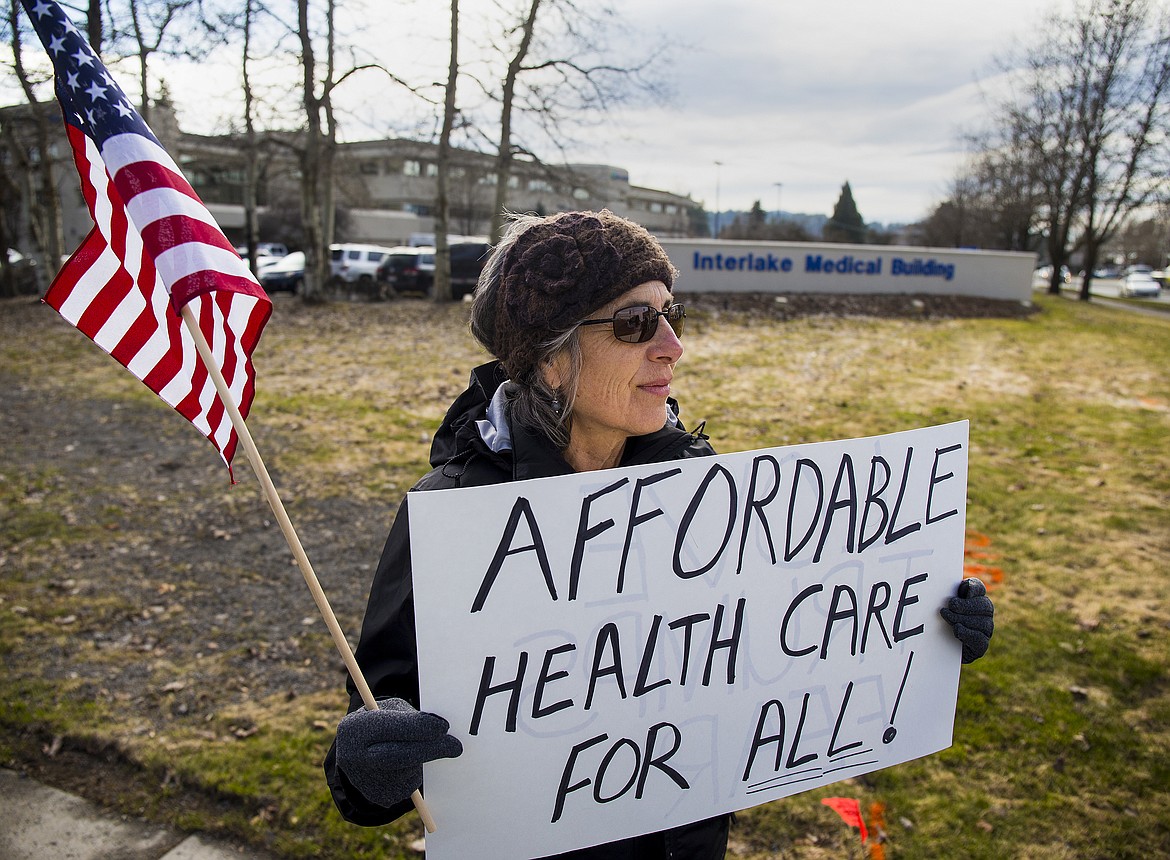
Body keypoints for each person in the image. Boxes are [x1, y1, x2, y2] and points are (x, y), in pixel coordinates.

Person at [323, 210, 995, 859]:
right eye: (635, 323)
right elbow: (379, 731)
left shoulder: (699, 492)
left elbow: (779, 646)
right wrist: (366, 765)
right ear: (550, 358)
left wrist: (916, 629)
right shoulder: (454, 515)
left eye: (672, 313)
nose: (673, 345)